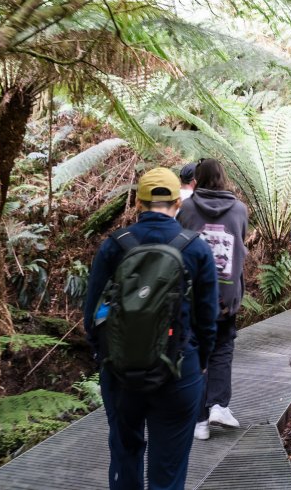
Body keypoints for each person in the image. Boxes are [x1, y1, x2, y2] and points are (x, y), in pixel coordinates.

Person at [84, 167, 218, 490]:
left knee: (125, 456)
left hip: (121, 374)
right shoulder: (196, 249)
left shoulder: (115, 246)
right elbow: (208, 320)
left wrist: (104, 355)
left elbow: (92, 315)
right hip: (179, 373)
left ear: (140, 203)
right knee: (167, 473)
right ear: (177, 203)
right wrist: (199, 363)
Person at [176, 159, 249, 442]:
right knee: (222, 347)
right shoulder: (240, 209)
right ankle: (219, 405)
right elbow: (239, 241)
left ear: (197, 180)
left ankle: (200, 421)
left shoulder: (186, 208)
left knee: (196, 353)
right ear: (223, 177)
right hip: (227, 293)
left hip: (194, 294)